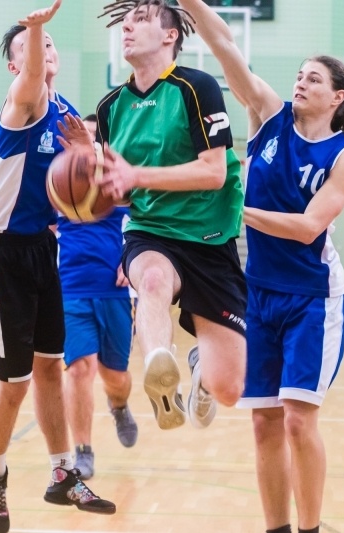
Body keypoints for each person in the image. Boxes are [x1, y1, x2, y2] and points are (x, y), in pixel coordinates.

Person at [175, 1, 344, 532]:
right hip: (256, 292)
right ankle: (276, 528)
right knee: (263, 423)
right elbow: (224, 45)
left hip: (312, 297)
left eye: (314, 78)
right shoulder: (267, 114)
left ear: (338, 96)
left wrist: (235, 207)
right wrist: (193, 4)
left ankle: (309, 527)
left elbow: (309, 227)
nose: (301, 82)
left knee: (298, 420)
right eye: (299, 75)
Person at [0, 2, 115, 532]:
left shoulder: (68, 113)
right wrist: (35, 25)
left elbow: (86, 185)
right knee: (16, 382)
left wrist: (87, 151)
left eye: (49, 45)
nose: (42, 52)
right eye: (29, 49)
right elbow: (31, 76)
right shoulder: (20, 102)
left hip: (40, 250)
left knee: (53, 365)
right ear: (14, 66)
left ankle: (62, 474)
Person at [95, 0, 247, 431]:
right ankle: (161, 369)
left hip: (210, 239)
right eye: (123, 24)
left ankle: (201, 365)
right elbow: (119, 194)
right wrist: (95, 190)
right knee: (153, 281)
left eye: (139, 20)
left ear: (170, 35)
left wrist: (134, 174)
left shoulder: (196, 87)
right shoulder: (110, 108)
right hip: (150, 232)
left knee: (229, 389)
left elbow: (214, 172)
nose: (126, 29)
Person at [58, 113, 139, 481]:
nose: (86, 143)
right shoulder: (61, 179)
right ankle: (83, 450)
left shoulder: (119, 183)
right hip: (71, 285)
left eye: (94, 138)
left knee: (114, 376)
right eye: (83, 136)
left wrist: (131, 260)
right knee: (79, 369)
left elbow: (146, 228)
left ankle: (119, 405)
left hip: (114, 288)